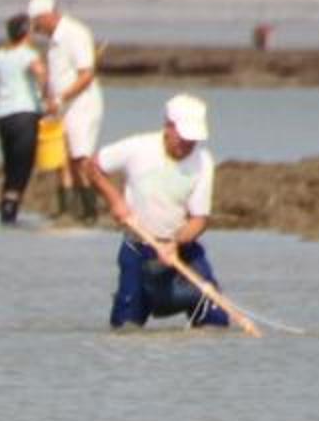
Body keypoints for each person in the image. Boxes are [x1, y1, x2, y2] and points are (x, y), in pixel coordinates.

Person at [85, 94, 229, 330]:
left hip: (180, 247)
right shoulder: (138, 147)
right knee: (126, 328)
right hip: (139, 247)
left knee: (215, 313)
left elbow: (199, 219)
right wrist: (116, 200)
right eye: (183, 137)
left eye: (193, 139)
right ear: (168, 126)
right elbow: (92, 166)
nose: (188, 145)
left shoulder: (203, 161)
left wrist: (175, 243)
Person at [27, 0, 102, 219]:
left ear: (47, 15)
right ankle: (67, 210)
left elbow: (86, 74)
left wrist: (61, 98)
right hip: (62, 108)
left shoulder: (75, 33)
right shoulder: (54, 41)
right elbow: (57, 76)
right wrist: (49, 98)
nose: (35, 28)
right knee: (62, 158)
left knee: (80, 157)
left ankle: (90, 211)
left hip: (82, 105)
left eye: (37, 22)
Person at [0, 12, 46, 225]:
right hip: (25, 113)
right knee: (22, 167)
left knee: (11, 164)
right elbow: (40, 72)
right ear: (25, 32)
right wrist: (45, 95)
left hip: (3, 116)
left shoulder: (0, 55)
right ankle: (9, 216)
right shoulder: (28, 54)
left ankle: (7, 215)